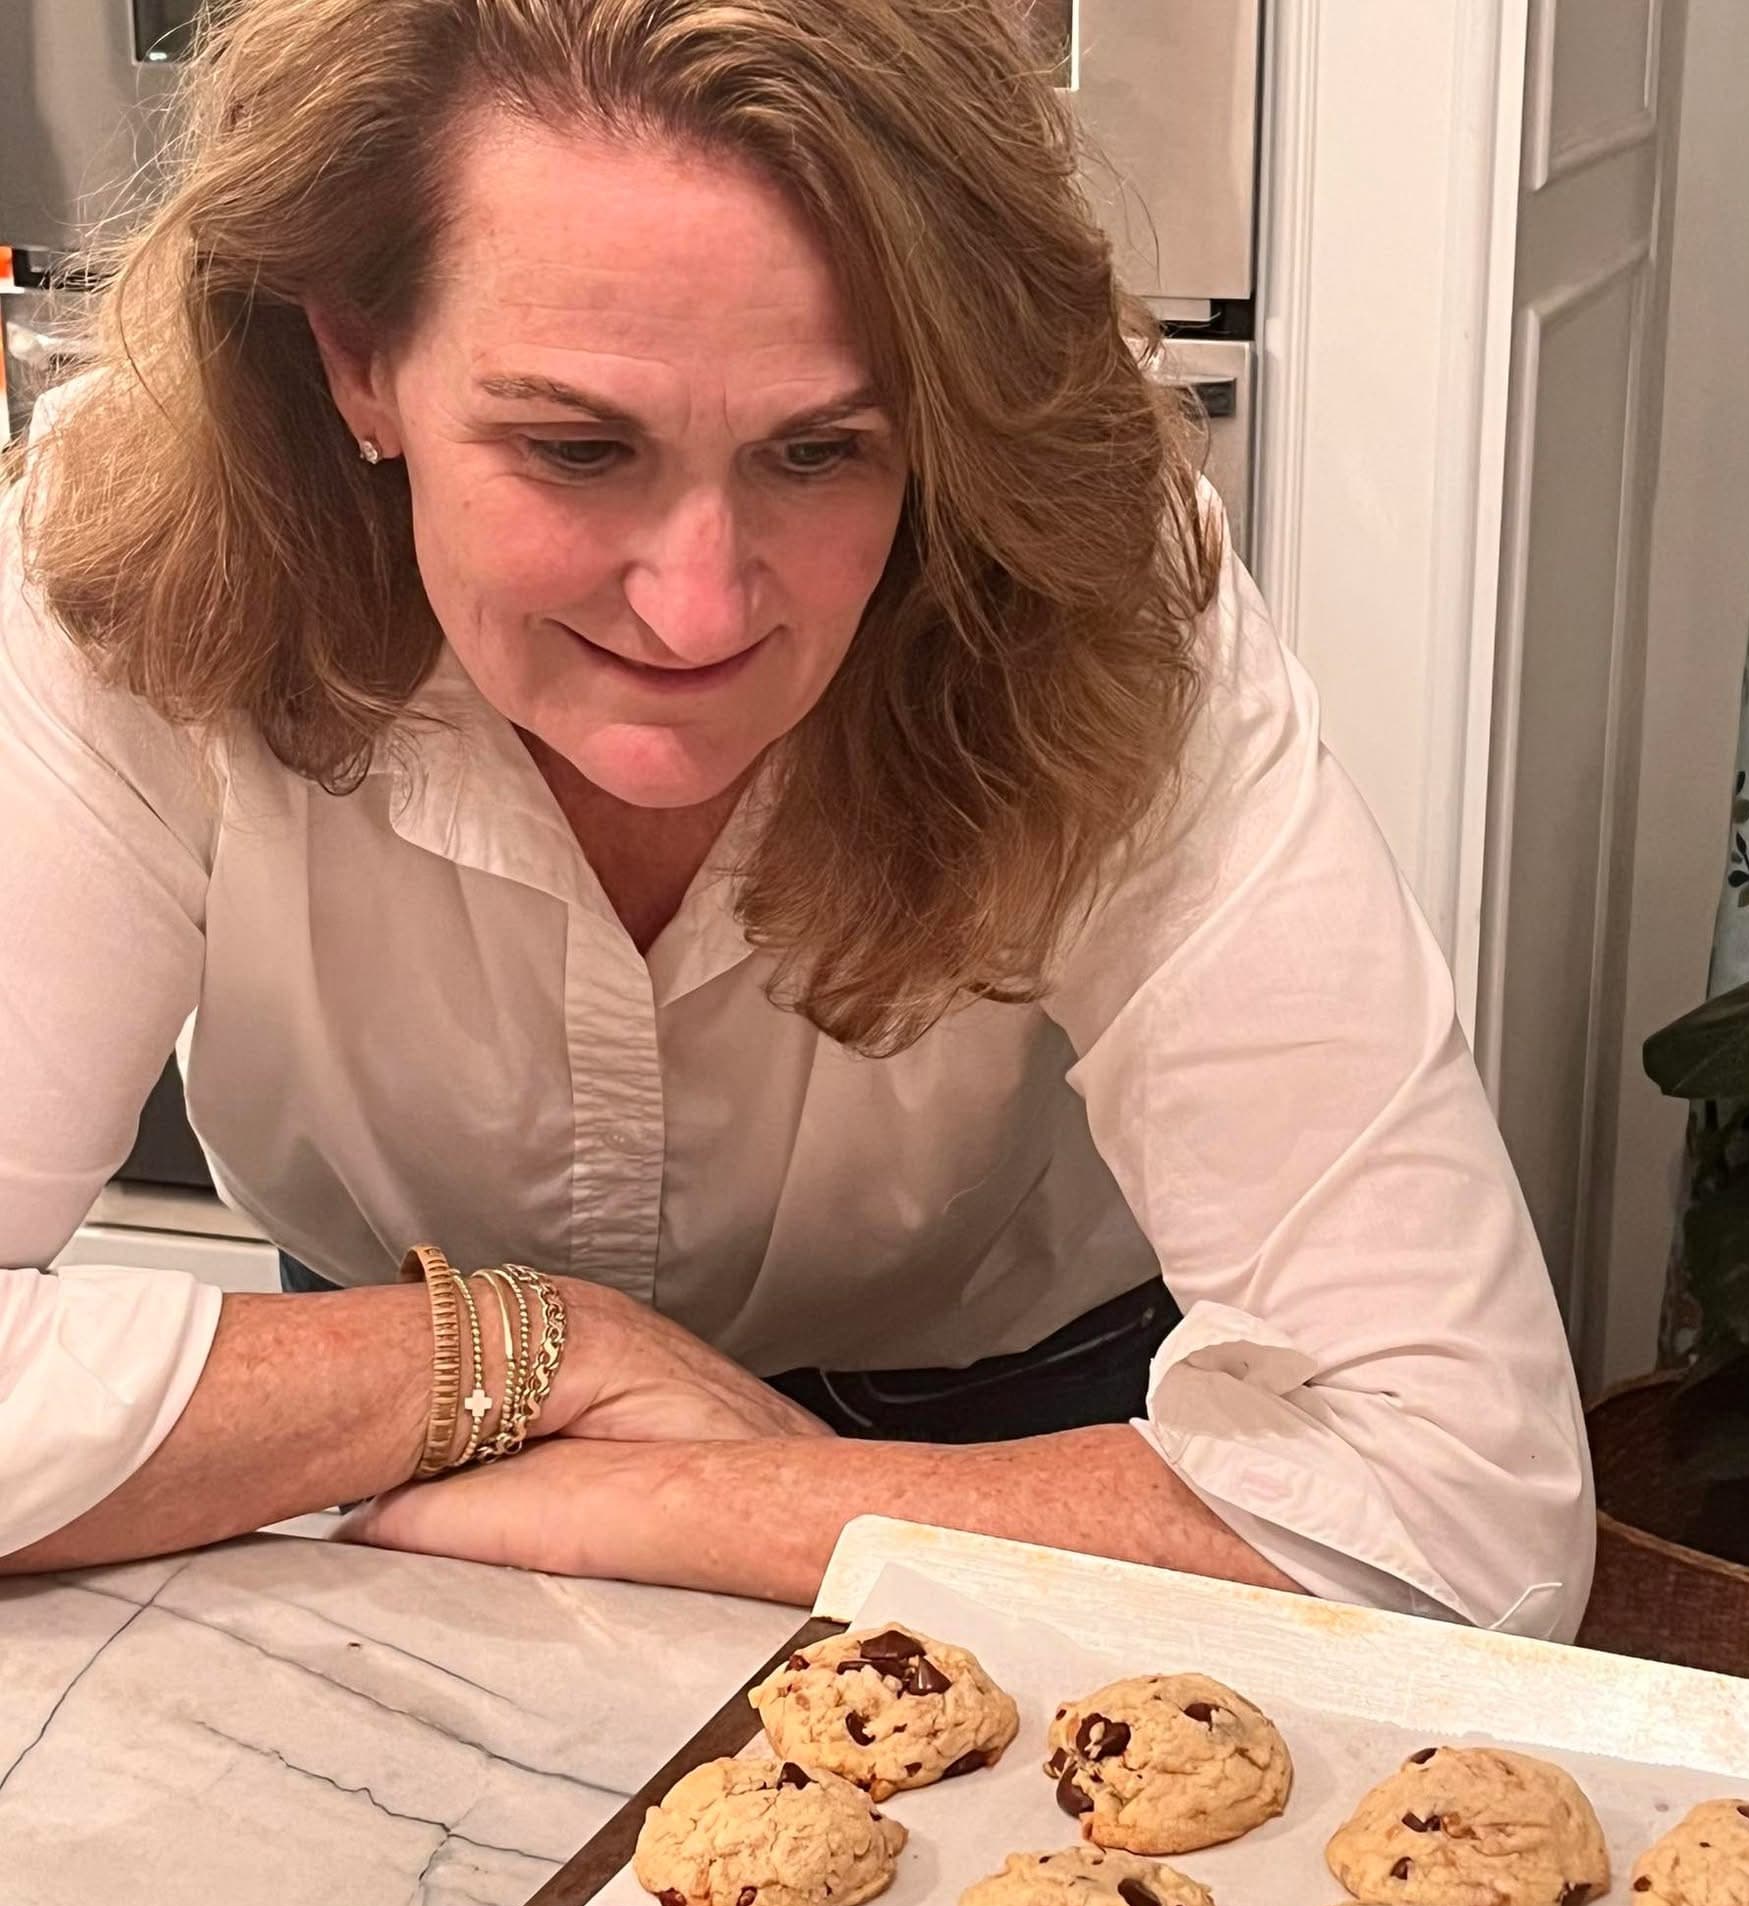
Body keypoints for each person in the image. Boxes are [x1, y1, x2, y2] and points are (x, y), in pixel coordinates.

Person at [0, 0, 1592, 1634]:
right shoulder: (133, 550)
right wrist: (526, 1352)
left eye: (823, 450)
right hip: (407, 1393)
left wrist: (703, 1489)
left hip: (1010, 1431)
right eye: (572, 445)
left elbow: (1468, 1517)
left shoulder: (1087, 587)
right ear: (356, 355)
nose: (696, 610)